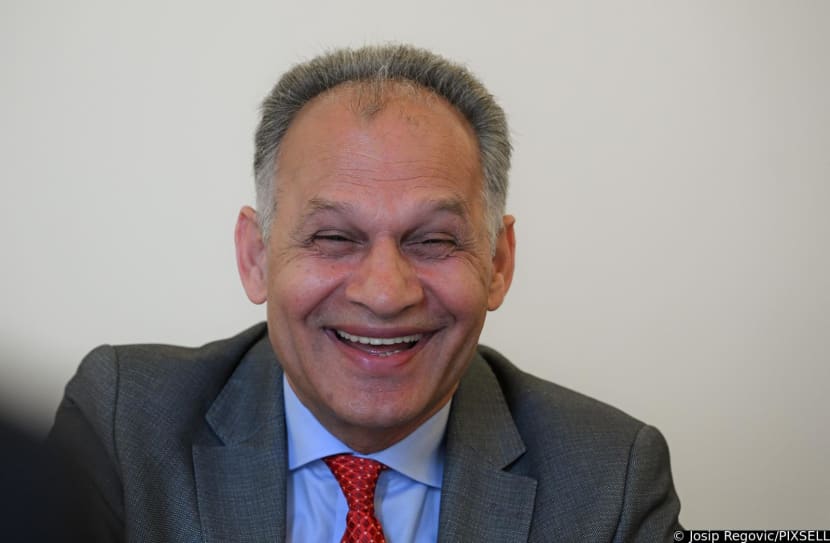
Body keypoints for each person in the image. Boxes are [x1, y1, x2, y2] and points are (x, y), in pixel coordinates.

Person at [50, 44, 681, 542]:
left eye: (433, 241)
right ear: (256, 256)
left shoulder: (611, 477)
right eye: (333, 238)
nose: (384, 293)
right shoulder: (125, 423)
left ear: (497, 262)